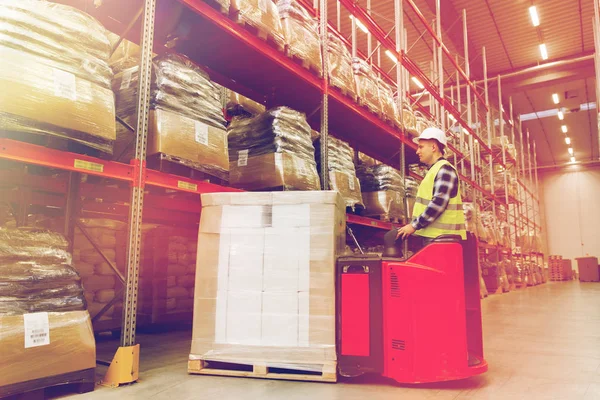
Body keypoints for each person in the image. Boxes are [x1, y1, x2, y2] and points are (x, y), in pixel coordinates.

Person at [396, 127, 467, 248]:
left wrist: (414, 225)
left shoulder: (445, 170)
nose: (417, 151)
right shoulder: (435, 170)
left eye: (421, 147)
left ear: (433, 147)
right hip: (437, 238)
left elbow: (438, 203)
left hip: (443, 240)